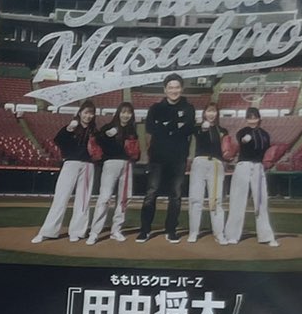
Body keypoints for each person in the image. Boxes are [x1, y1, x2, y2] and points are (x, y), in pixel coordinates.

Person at [138, 74, 196, 242]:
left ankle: (171, 230)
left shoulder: (189, 108)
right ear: (165, 89)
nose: (174, 90)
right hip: (157, 158)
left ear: (182, 89)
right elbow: (150, 130)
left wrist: (165, 127)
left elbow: (187, 130)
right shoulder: (155, 108)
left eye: (177, 87)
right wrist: (173, 128)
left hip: (178, 158)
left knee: (176, 195)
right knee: (151, 193)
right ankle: (145, 230)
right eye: (170, 87)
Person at [32, 102, 98, 243]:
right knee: (61, 197)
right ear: (80, 113)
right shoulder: (71, 127)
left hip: (88, 165)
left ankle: (77, 232)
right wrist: (68, 129)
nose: (88, 116)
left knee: (83, 200)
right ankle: (47, 231)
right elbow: (58, 141)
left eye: (91, 113)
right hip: (70, 163)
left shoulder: (94, 131)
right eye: (86, 112)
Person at [84, 101, 140, 244]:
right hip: (110, 164)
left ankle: (116, 230)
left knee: (124, 198)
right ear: (118, 113)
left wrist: (134, 155)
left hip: (126, 165)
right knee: (104, 198)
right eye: (123, 112)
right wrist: (106, 135)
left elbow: (136, 152)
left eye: (129, 113)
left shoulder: (132, 130)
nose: (126, 115)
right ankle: (95, 232)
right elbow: (96, 140)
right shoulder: (108, 127)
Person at [223, 107, 279, 246]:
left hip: (258, 166)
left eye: (255, 117)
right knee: (238, 200)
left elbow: (266, 148)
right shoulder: (243, 131)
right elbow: (241, 139)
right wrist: (244, 140)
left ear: (259, 118)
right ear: (246, 119)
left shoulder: (265, 134)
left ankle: (266, 236)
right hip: (244, 165)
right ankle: (232, 235)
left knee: (261, 201)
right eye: (250, 117)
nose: (252, 120)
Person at [188, 103, 230, 243]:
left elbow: (226, 149)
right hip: (199, 162)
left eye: (214, 111)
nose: (211, 114)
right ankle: (194, 232)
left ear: (217, 114)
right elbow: (192, 132)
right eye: (209, 111)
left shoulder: (222, 130)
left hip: (216, 164)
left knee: (216, 199)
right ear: (204, 113)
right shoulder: (198, 128)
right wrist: (202, 128)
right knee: (196, 198)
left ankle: (219, 233)